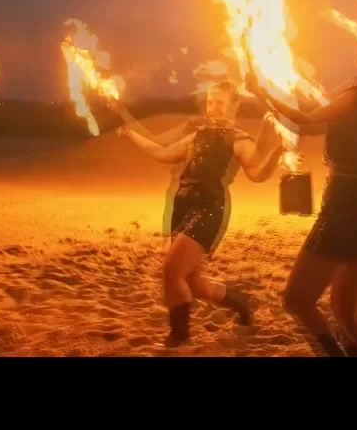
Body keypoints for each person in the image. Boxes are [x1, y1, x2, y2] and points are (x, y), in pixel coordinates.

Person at [247, 26, 357, 357]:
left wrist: (260, 91)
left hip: (344, 206)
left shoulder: (355, 96)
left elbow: (302, 120)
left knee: (297, 300)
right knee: (346, 312)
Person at [110, 80, 283, 348]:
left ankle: (179, 338)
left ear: (235, 105)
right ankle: (240, 302)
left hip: (209, 208)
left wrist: (277, 152)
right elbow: (162, 152)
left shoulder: (238, 138)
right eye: (210, 102)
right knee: (192, 281)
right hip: (183, 206)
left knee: (172, 271)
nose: (213, 108)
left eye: (220, 103)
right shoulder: (199, 134)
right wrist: (130, 133)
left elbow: (258, 173)